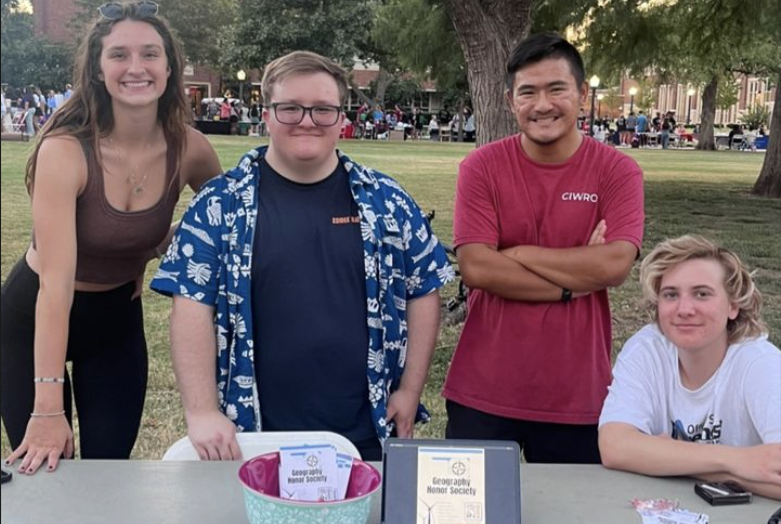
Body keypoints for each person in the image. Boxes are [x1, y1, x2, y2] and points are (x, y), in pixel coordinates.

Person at [149, 50, 453, 462]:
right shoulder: (220, 204)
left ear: (342, 118)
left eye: (323, 109)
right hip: (251, 434)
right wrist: (201, 411)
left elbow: (423, 291)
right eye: (290, 108)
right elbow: (191, 305)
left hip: (365, 431)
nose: (307, 120)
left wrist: (409, 389)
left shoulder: (388, 202)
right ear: (268, 114)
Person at [0, 0, 222, 475]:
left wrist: (161, 240)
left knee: (107, 472)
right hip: (33, 319)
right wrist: (46, 407)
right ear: (99, 70)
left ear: (168, 68)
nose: (135, 67)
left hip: (116, 323)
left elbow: (226, 222)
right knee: (45, 469)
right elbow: (54, 289)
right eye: (119, 54)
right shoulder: (65, 151)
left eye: (150, 54)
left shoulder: (192, 150)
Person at [443, 32, 644, 464]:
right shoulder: (481, 168)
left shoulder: (617, 171)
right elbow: (477, 268)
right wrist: (574, 282)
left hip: (576, 393)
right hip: (483, 387)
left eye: (557, 89)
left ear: (582, 93)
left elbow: (614, 264)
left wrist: (517, 254)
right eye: (528, 92)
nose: (542, 105)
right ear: (509, 100)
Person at [599, 235, 781, 501]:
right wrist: (736, 461)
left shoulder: (760, 363)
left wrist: (674, 457)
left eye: (702, 294)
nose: (684, 309)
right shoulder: (646, 349)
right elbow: (614, 446)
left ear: (733, 305)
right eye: (671, 295)